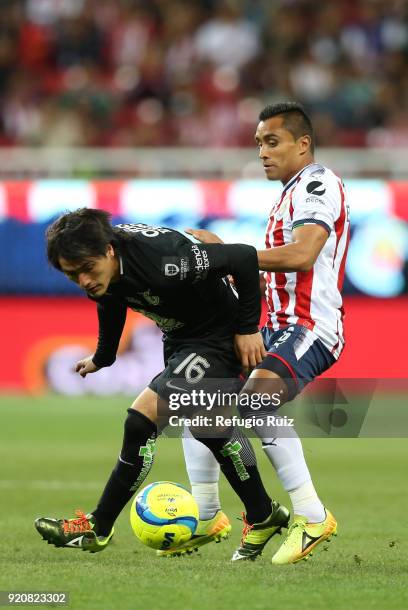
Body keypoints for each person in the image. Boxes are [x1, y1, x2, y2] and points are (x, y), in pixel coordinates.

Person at [35, 208, 290, 554]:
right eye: (72, 275)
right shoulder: (105, 268)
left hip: (218, 336)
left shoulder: (167, 262)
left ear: (110, 251)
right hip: (182, 338)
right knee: (209, 427)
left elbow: (243, 257)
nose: (83, 281)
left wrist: (247, 329)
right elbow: (111, 300)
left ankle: (98, 526)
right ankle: (263, 514)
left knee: (140, 420)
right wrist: (103, 357)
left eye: (87, 270)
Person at [184, 101, 350, 564]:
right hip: (273, 329)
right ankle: (209, 514)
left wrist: (228, 256)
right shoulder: (286, 195)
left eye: (272, 141)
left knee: (257, 402)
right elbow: (268, 274)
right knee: (197, 398)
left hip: (310, 327)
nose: (262, 152)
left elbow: (301, 256)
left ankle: (312, 515)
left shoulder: (318, 183)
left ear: (303, 144)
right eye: (258, 142)